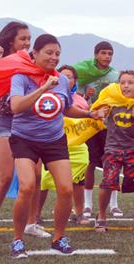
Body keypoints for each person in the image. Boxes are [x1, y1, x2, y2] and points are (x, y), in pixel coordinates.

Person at [8, 34, 106, 258]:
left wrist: (89, 113)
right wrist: (43, 88)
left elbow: (67, 107)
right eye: (49, 53)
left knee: (65, 189)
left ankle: (58, 237)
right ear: (35, 54)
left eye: (57, 54)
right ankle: (17, 240)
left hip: (54, 139)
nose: (54, 57)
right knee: (27, 187)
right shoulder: (21, 77)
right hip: (24, 139)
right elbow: (16, 107)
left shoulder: (61, 79)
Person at [0, 21, 51, 243]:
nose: (27, 43)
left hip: (28, 120)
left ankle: (31, 223)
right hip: (3, 119)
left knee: (36, 175)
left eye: (29, 39)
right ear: (11, 40)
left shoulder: (31, 60)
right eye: (23, 39)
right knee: (6, 176)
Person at [94, 70, 134, 232]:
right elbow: (96, 115)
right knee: (107, 184)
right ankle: (101, 217)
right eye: (123, 83)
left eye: (130, 83)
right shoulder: (111, 103)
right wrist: (98, 113)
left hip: (133, 150)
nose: (126, 86)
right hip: (112, 150)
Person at [73, 41, 123, 218]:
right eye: (103, 53)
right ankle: (87, 204)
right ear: (96, 55)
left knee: (113, 162)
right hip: (90, 124)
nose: (107, 57)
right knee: (90, 163)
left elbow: (121, 98)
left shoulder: (115, 76)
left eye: (110, 53)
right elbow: (77, 99)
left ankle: (114, 204)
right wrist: (87, 96)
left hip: (110, 125)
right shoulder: (85, 74)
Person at [36, 65, 91, 225]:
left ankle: (79, 214)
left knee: (78, 181)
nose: (66, 79)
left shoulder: (81, 101)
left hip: (78, 146)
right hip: (53, 144)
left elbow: (85, 123)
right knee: (44, 181)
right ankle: (36, 214)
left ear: (75, 80)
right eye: (63, 76)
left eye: (70, 76)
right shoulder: (49, 96)